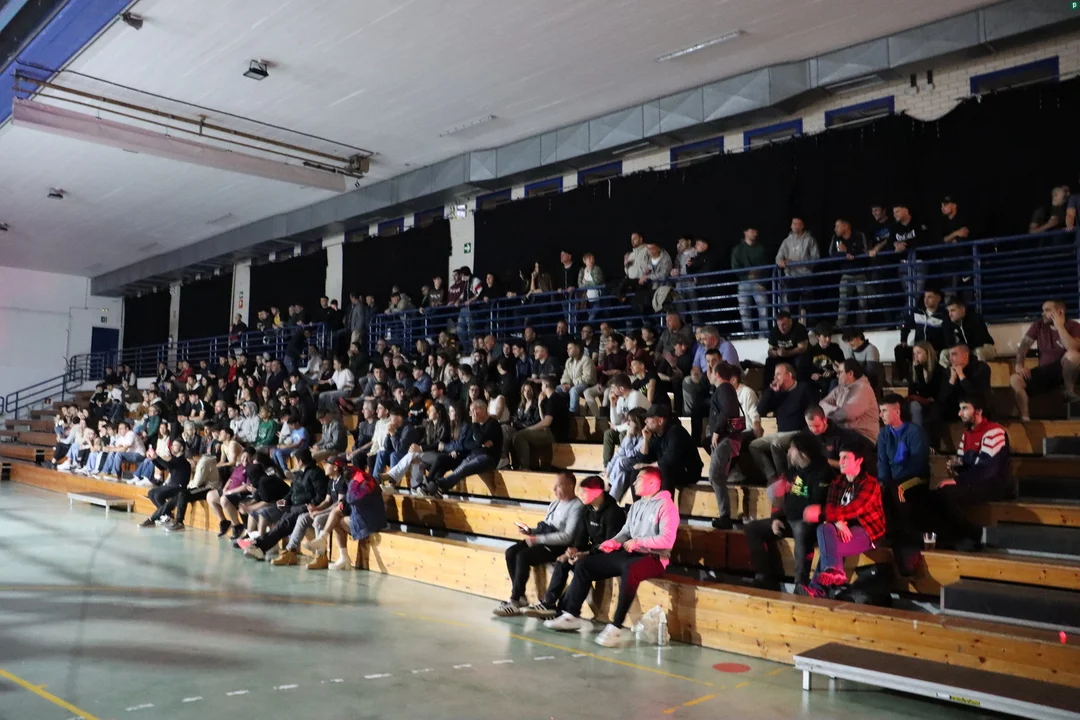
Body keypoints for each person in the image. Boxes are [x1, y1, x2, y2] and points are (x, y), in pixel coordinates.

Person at [543, 468, 677, 647]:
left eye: (638, 479)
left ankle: (616, 626)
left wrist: (639, 542)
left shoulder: (667, 506)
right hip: (631, 553)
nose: (634, 483)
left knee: (630, 570)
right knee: (585, 564)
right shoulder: (636, 506)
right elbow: (625, 532)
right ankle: (571, 614)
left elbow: (667, 540)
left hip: (655, 558)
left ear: (652, 483)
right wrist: (612, 542)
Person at [525, 476, 626, 618]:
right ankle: (549, 603)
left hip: (610, 554)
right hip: (594, 550)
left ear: (597, 492)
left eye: (584, 491)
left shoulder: (614, 513)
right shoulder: (586, 510)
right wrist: (574, 550)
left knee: (581, 566)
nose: (580, 494)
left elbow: (611, 545)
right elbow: (581, 536)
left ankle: (564, 609)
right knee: (562, 560)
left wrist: (586, 554)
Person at [744, 432, 831, 589]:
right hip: (789, 520)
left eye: (792, 448)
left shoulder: (822, 473)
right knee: (753, 528)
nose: (789, 452)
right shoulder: (793, 471)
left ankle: (801, 584)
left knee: (802, 532)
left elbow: (814, 505)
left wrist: (793, 512)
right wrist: (776, 517)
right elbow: (781, 496)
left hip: (807, 523)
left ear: (803, 452)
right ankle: (764, 577)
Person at [798, 445, 885, 598]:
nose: (841, 461)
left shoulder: (870, 483)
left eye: (846, 457)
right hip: (842, 528)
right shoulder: (838, 481)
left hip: (867, 531)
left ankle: (819, 588)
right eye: (840, 458)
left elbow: (854, 509)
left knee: (829, 546)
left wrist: (822, 512)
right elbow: (832, 506)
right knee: (823, 530)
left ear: (859, 460)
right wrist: (838, 522)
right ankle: (833, 572)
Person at [493, 472, 585, 617]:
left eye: (559, 486)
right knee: (511, 552)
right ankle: (521, 597)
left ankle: (514, 600)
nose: (554, 489)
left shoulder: (577, 506)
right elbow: (545, 527)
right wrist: (531, 531)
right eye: (554, 485)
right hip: (543, 540)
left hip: (557, 546)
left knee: (523, 556)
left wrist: (538, 539)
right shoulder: (555, 503)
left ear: (570, 485)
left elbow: (568, 536)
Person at [933, 397, 1013, 551]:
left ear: (978, 411)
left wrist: (958, 480)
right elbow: (963, 462)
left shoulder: (994, 431)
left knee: (947, 493)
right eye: (960, 409)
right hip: (973, 482)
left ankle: (974, 535)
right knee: (937, 492)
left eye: (964, 408)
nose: (959, 413)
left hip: (992, 484)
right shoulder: (967, 434)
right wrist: (955, 466)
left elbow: (988, 470)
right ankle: (951, 538)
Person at [877, 394, 932, 574]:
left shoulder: (914, 432)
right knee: (880, 489)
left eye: (884, 411)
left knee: (898, 489)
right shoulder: (884, 434)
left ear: (897, 411)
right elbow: (882, 463)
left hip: (915, 477)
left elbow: (918, 463)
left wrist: (893, 482)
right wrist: (883, 482)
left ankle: (908, 538)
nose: (881, 415)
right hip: (893, 480)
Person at [242, 449, 329, 560]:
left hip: (306, 507)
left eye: (296, 460)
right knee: (280, 523)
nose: (296, 462)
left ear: (300, 461)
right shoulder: (298, 474)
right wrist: (285, 500)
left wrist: (312, 504)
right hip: (293, 506)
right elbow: (291, 492)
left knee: (284, 524)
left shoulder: (316, 473)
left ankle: (260, 546)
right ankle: (260, 545)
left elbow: (321, 495)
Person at [1010, 299, 1080, 420]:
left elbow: (1072, 347)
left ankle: (1068, 391)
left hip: (1068, 371)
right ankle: (1025, 419)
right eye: (1043, 310)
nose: (1043, 314)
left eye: (1047, 310)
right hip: (1046, 371)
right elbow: (1024, 345)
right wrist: (1019, 365)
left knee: (1073, 355)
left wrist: (1060, 327)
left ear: (1060, 312)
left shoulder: (1074, 326)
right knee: (1015, 379)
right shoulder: (1039, 325)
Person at [750, 362, 818, 485]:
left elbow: (813, 410)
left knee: (776, 444)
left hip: (797, 432)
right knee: (754, 445)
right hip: (780, 433)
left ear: (789, 375)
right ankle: (772, 477)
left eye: (778, 374)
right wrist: (771, 391)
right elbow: (760, 410)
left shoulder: (803, 388)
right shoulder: (777, 393)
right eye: (774, 375)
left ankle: (784, 478)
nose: (775, 378)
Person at [421, 399, 503, 496]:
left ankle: (440, 484)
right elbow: (466, 444)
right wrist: (479, 443)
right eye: (470, 411)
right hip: (473, 455)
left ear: (483, 409)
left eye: (473, 410)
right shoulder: (474, 426)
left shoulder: (492, 424)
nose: (470, 413)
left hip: (487, 458)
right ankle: (436, 485)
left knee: (464, 469)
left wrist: (477, 433)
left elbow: (479, 440)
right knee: (458, 468)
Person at [705, 363, 745, 530]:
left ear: (718, 375)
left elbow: (726, 410)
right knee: (718, 476)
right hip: (726, 438)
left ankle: (725, 516)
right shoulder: (726, 389)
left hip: (726, 438)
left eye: (711, 371)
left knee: (715, 475)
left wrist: (716, 431)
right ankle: (724, 515)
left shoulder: (724, 388)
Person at [633, 404, 702, 494]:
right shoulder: (654, 435)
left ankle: (666, 502)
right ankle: (639, 503)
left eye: (649, 418)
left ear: (660, 421)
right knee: (636, 470)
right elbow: (642, 460)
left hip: (688, 471)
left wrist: (647, 466)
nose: (645, 421)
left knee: (665, 469)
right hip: (673, 470)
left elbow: (670, 460)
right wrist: (646, 440)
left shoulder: (675, 431)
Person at [511, 378, 569, 471]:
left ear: (545, 385)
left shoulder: (553, 399)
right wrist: (540, 405)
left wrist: (529, 429)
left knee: (519, 436)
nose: (541, 387)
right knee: (518, 434)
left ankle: (525, 468)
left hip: (555, 434)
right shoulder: (554, 398)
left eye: (542, 385)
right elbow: (545, 419)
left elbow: (546, 422)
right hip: (553, 432)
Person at [818, 359, 879, 443]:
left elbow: (845, 415)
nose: (837, 375)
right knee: (812, 434)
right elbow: (821, 405)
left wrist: (827, 413)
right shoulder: (841, 388)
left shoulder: (863, 388)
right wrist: (836, 410)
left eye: (840, 372)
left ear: (850, 374)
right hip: (845, 432)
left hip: (863, 436)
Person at [894, 288, 947, 382]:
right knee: (899, 349)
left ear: (938, 298)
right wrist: (903, 340)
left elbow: (946, 336)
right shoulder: (917, 312)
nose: (926, 300)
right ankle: (905, 379)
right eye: (925, 297)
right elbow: (905, 326)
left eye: (929, 297)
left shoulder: (944, 315)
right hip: (917, 349)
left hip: (934, 350)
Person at [138, 438, 193, 528]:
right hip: (171, 485)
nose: (172, 447)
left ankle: (165, 515)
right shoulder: (175, 459)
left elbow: (168, 465)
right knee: (151, 493)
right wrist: (153, 459)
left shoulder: (182, 460)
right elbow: (163, 467)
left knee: (158, 495)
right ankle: (168, 514)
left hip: (179, 487)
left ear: (181, 448)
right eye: (172, 445)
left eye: (175, 445)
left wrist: (157, 456)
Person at [829, 219, 870, 328]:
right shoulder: (835, 238)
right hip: (846, 274)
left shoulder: (859, 235)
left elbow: (865, 251)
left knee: (863, 301)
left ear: (846, 226)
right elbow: (832, 254)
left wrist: (849, 251)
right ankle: (840, 325)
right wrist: (845, 254)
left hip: (860, 272)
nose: (835, 229)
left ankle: (862, 325)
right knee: (843, 301)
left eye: (837, 226)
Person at [775, 217, 819, 320]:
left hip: (805, 276)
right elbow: (778, 256)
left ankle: (809, 326)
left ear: (802, 226)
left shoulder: (810, 240)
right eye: (793, 223)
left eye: (797, 223)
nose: (794, 225)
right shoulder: (786, 241)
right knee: (792, 305)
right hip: (791, 276)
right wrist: (780, 261)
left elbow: (816, 258)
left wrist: (800, 263)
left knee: (808, 304)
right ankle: (794, 326)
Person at [601, 374, 650, 466]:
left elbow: (633, 423)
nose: (612, 391)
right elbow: (615, 422)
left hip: (641, 429)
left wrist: (616, 428)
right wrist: (612, 404)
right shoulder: (621, 399)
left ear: (621, 389)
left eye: (614, 388)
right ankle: (607, 466)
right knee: (608, 434)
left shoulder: (635, 396)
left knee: (623, 434)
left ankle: (624, 463)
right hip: (630, 427)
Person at [731, 227, 770, 336]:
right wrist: (748, 273)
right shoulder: (738, 249)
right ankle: (748, 334)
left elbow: (766, 267)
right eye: (752, 231)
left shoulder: (761, 248)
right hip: (744, 283)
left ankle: (763, 334)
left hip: (759, 282)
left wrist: (762, 281)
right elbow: (735, 267)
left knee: (763, 309)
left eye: (756, 231)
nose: (755, 234)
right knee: (744, 310)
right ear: (745, 232)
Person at [906, 341, 945, 450]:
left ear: (928, 353)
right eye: (914, 354)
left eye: (919, 353)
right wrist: (917, 371)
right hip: (920, 402)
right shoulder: (914, 369)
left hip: (935, 403)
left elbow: (929, 393)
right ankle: (917, 442)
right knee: (914, 406)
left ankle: (931, 445)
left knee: (933, 410)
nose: (915, 356)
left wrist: (919, 372)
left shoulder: (938, 370)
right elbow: (911, 392)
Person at [939, 344, 991, 421]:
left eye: (954, 354)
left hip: (977, 408)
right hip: (956, 409)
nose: (950, 358)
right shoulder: (949, 371)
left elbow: (978, 394)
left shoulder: (981, 367)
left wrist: (961, 376)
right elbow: (942, 397)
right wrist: (952, 380)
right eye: (949, 355)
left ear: (965, 355)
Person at [604, 408, 647, 503]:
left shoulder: (644, 437)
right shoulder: (632, 435)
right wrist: (609, 468)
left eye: (630, 421)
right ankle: (612, 500)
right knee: (622, 475)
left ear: (638, 422)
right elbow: (619, 453)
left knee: (621, 460)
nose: (628, 423)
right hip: (626, 468)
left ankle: (609, 485)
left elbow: (630, 454)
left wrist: (628, 437)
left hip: (639, 463)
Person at [940, 298, 995, 366]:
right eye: (948, 311)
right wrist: (958, 351)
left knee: (978, 352)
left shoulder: (976, 318)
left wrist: (962, 351)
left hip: (985, 347)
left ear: (962, 310)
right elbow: (949, 343)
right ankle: (947, 373)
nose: (950, 314)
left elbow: (979, 341)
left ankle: (979, 372)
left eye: (953, 310)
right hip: (961, 349)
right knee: (944, 353)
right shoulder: (948, 322)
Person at [764, 311, 810, 382]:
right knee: (769, 361)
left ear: (790, 321)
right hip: (782, 356)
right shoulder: (774, 331)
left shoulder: (799, 328)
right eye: (779, 325)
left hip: (797, 355)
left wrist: (786, 353)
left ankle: (800, 384)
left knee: (802, 359)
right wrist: (777, 353)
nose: (781, 328)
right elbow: (770, 351)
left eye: (784, 325)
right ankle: (769, 385)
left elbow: (803, 348)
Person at [841, 329, 884, 395]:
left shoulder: (871, 349)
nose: (849, 344)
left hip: (871, 380)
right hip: (857, 378)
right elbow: (849, 367)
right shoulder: (850, 349)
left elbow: (871, 371)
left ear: (858, 337)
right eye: (847, 342)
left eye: (851, 340)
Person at [559, 340, 596, 415]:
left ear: (577, 349)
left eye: (570, 348)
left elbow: (587, 378)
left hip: (587, 384)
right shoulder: (569, 361)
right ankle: (559, 412)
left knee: (574, 390)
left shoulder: (586, 360)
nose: (567, 350)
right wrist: (565, 384)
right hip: (572, 384)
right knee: (557, 389)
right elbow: (566, 374)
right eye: (567, 348)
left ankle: (573, 413)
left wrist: (572, 384)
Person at [808, 322, 845, 397]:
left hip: (832, 379)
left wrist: (833, 372)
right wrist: (812, 375)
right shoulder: (811, 351)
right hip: (817, 380)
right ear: (818, 337)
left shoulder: (836, 349)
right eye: (825, 336)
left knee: (834, 382)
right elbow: (805, 369)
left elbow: (842, 367)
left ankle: (829, 402)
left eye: (829, 336)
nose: (828, 339)